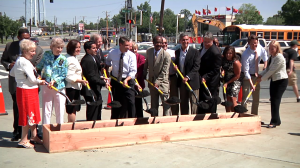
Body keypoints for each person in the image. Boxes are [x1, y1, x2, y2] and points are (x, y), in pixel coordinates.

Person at [1, 28, 43, 141]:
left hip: (31, 85)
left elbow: (38, 65)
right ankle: (18, 132)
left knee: (32, 110)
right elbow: (3, 60)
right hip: (18, 84)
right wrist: (10, 65)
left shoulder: (38, 49)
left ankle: (34, 133)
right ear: (18, 37)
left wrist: (33, 70)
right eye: (24, 38)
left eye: (28, 38)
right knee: (18, 107)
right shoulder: (10, 46)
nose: (27, 40)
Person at [10, 39, 45, 148]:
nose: (34, 53)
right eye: (32, 51)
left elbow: (12, 73)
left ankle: (34, 136)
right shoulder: (24, 62)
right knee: (27, 115)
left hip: (28, 90)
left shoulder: (20, 60)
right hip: (26, 91)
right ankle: (23, 140)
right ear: (25, 51)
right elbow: (33, 80)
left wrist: (22, 76)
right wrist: (41, 81)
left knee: (32, 114)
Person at [36, 37, 68, 125]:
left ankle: (59, 128)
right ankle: (45, 128)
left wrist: (54, 80)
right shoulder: (46, 55)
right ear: (52, 47)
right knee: (46, 109)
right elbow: (39, 66)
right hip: (46, 85)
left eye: (61, 47)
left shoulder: (63, 59)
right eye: (58, 47)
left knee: (60, 109)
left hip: (59, 87)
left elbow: (64, 74)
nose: (60, 49)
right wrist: (37, 74)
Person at [257, 40, 288, 128]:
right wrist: (260, 74)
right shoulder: (272, 57)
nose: (271, 49)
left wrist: (262, 79)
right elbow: (267, 69)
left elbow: (272, 71)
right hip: (274, 80)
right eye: (270, 48)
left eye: (273, 48)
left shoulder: (279, 57)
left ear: (277, 48)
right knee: (273, 100)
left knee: (275, 101)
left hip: (281, 81)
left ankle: (273, 121)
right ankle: (277, 120)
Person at [106, 36, 137, 119]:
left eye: (129, 45)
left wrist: (126, 80)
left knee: (131, 102)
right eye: (126, 45)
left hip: (127, 80)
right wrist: (107, 69)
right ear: (120, 44)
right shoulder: (112, 52)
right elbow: (107, 61)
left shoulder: (131, 55)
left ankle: (132, 120)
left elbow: (133, 71)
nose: (128, 47)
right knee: (116, 102)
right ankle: (115, 120)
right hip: (116, 80)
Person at [80, 41, 109, 121]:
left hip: (95, 88)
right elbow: (91, 77)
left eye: (96, 48)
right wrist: (104, 83)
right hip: (90, 89)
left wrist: (102, 77)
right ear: (87, 50)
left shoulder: (93, 58)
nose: (96, 50)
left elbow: (94, 73)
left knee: (98, 109)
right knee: (93, 111)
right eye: (93, 48)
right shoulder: (87, 60)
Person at [144, 36, 171, 116]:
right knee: (154, 105)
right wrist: (144, 73)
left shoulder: (166, 55)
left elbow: (164, 71)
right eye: (157, 42)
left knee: (166, 105)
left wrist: (157, 82)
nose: (158, 44)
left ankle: (166, 122)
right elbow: (146, 64)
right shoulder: (149, 52)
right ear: (153, 43)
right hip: (152, 83)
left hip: (163, 83)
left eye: (160, 43)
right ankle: (154, 121)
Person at [241, 35, 268, 115]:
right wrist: (251, 84)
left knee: (256, 99)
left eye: (255, 43)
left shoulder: (259, 48)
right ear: (248, 44)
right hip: (247, 77)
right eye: (252, 44)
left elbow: (265, 56)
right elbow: (246, 71)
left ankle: (254, 115)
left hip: (256, 76)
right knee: (245, 97)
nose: (254, 45)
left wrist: (265, 65)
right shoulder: (245, 54)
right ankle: (244, 114)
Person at [174, 33, 201, 115]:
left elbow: (196, 67)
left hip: (193, 82)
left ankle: (193, 121)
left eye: (186, 40)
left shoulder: (195, 52)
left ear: (189, 40)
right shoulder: (177, 52)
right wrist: (176, 68)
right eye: (183, 40)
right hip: (182, 82)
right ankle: (184, 119)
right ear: (180, 41)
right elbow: (179, 64)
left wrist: (188, 77)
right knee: (183, 103)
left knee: (194, 103)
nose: (185, 41)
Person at [65, 40, 88, 122]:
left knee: (74, 108)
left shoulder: (72, 58)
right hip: (71, 88)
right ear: (71, 48)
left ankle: (72, 125)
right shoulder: (70, 59)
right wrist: (81, 81)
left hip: (75, 87)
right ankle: (71, 126)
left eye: (79, 47)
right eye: (76, 47)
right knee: (71, 109)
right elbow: (69, 76)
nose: (79, 49)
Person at [198, 32, 222, 113]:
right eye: (204, 41)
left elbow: (216, 69)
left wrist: (206, 76)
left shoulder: (215, 52)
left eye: (208, 42)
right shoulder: (202, 48)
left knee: (210, 100)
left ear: (212, 41)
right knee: (202, 101)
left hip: (211, 81)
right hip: (201, 78)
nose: (206, 44)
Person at [222, 46, 242, 112]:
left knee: (233, 99)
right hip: (226, 81)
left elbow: (237, 76)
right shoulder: (224, 60)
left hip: (234, 81)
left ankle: (235, 116)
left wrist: (227, 83)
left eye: (230, 53)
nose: (228, 55)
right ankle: (228, 116)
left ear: (233, 54)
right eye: (227, 53)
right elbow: (223, 67)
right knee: (227, 100)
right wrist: (222, 70)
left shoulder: (236, 62)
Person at [162, 37, 179, 115]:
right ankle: (167, 115)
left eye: (165, 43)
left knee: (174, 97)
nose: (164, 44)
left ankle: (175, 114)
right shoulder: (159, 53)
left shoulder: (173, 52)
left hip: (172, 77)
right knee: (166, 98)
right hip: (163, 78)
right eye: (162, 43)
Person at [130, 42, 145, 118]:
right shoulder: (128, 57)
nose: (134, 51)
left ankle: (139, 116)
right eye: (132, 49)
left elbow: (141, 68)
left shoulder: (141, 57)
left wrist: (136, 74)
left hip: (139, 81)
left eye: (135, 49)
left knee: (138, 101)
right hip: (130, 81)